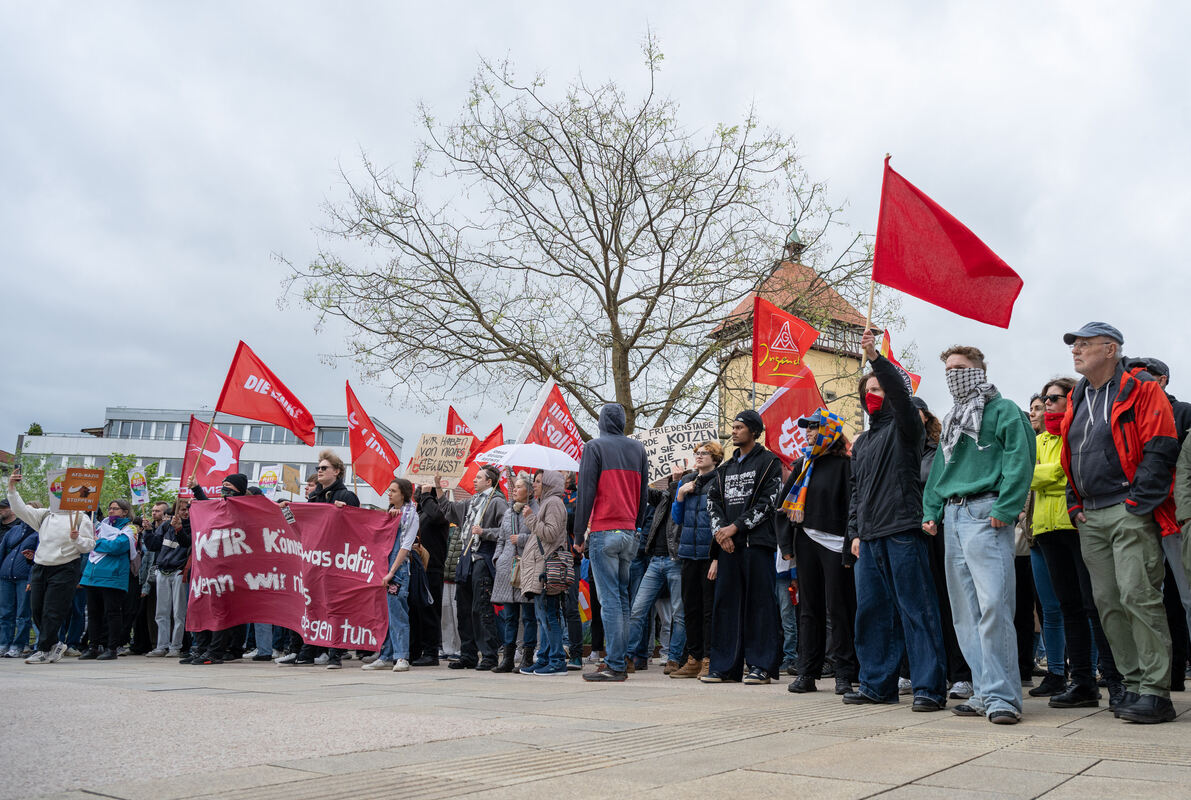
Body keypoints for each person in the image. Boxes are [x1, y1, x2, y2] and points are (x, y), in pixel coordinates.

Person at [1060, 322, 1179, 723]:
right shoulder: (1078, 395)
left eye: (1084, 344)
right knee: (1108, 602)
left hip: (1127, 508)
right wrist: (1074, 504)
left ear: (1110, 349)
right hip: (1090, 515)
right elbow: (1070, 454)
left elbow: (1161, 446)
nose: (1075, 350)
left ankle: (1156, 692)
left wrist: (1137, 503)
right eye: (1074, 345)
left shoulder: (1141, 387)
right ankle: (1133, 685)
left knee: (1137, 595)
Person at [923, 343, 1035, 725]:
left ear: (978, 370)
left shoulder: (1004, 410)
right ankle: (984, 690)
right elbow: (941, 469)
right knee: (965, 614)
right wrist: (931, 510)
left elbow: (1020, 456)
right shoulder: (953, 418)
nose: (952, 376)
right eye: (947, 370)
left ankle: (1003, 697)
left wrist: (1007, 507)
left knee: (993, 607)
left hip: (986, 512)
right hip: (953, 515)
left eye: (959, 368)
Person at [845, 332, 948, 712]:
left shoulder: (906, 427)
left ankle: (928, 688)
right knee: (873, 615)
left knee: (917, 610)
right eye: (867, 391)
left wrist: (875, 359)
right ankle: (876, 685)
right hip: (869, 538)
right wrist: (855, 534)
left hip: (903, 531)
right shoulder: (863, 443)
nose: (872, 394)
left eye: (878, 388)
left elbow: (903, 398)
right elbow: (856, 492)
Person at [1031, 377, 1123, 707]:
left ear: (1070, 400)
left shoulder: (1078, 432)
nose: (1047, 404)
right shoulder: (1038, 440)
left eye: (1054, 398)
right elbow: (1027, 473)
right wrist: (1046, 474)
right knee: (1068, 607)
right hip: (1045, 530)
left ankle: (1115, 681)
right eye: (1045, 399)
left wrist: (1040, 475)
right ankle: (1082, 683)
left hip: (1077, 526)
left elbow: (1067, 473)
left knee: (1095, 605)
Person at [702, 409, 783, 685]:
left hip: (757, 545)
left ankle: (760, 666)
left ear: (753, 431)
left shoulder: (769, 462)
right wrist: (720, 533)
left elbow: (769, 502)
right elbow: (712, 502)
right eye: (733, 427)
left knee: (760, 606)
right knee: (726, 606)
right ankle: (725, 667)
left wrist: (735, 527)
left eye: (739, 427)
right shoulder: (725, 468)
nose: (734, 431)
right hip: (728, 548)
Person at [779, 409, 857, 696]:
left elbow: (852, 507)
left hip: (836, 544)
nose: (808, 432)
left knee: (839, 610)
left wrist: (849, 547)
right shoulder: (803, 465)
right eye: (807, 428)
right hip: (806, 542)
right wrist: (787, 546)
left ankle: (844, 674)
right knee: (808, 610)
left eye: (814, 427)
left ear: (830, 432)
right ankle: (807, 673)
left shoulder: (845, 465)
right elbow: (784, 507)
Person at [576, 403, 650, 682]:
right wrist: (636, 525)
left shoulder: (594, 447)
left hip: (604, 530)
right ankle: (621, 660)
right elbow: (644, 494)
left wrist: (578, 534)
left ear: (602, 422)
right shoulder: (638, 449)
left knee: (609, 602)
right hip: (629, 532)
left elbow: (585, 492)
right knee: (621, 600)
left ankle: (615, 664)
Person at [910, 396, 973, 701]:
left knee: (949, 604)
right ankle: (921, 672)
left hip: (937, 531)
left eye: (914, 412)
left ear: (925, 417)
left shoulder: (939, 450)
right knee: (918, 606)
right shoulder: (897, 450)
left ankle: (961, 675)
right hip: (906, 533)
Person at [7, 470, 95, 664]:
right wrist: (12, 487)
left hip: (65, 567)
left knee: (53, 610)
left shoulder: (81, 518)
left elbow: (89, 545)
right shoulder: (45, 514)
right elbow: (21, 510)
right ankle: (54, 644)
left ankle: (44, 649)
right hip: (41, 566)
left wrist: (77, 539)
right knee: (37, 609)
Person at [284, 451, 360, 669]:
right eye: (318, 468)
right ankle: (307, 651)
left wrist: (345, 512)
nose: (319, 471)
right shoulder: (313, 497)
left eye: (324, 468)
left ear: (337, 471)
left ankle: (334, 654)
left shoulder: (347, 496)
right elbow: (303, 527)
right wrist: (287, 511)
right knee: (312, 605)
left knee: (334, 607)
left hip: (336, 560)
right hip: (315, 559)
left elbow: (357, 527)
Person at [444, 465, 508, 671]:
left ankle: (489, 655)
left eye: (479, 477)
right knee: (463, 609)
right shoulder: (471, 502)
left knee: (481, 608)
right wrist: (436, 487)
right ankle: (468, 655)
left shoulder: (497, 501)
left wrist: (484, 532)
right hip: (465, 558)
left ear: (489, 482)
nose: (474, 480)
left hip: (483, 557)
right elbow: (448, 509)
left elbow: (506, 531)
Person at [185, 472, 250, 665]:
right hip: (208, 569)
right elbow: (208, 508)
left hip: (230, 570)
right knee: (201, 607)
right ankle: (202, 648)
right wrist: (196, 490)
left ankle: (216, 651)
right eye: (223, 484)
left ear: (239, 489)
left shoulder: (245, 508)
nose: (224, 488)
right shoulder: (220, 505)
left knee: (221, 611)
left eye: (228, 485)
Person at [669, 440, 721, 679]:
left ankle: (710, 659)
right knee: (690, 608)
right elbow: (677, 518)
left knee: (709, 609)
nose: (699, 456)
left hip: (709, 554)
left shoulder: (719, 480)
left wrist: (717, 557)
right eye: (697, 453)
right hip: (688, 553)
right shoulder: (687, 481)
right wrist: (680, 494)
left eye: (705, 453)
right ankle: (694, 658)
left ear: (715, 458)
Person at [626, 469, 685, 674]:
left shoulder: (687, 496)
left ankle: (674, 659)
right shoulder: (662, 497)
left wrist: (678, 482)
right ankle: (628, 657)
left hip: (675, 560)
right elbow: (643, 491)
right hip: (655, 560)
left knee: (678, 613)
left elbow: (678, 504)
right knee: (637, 610)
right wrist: (637, 468)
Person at [364, 478, 419, 672]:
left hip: (398, 572)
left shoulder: (411, 516)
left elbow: (405, 547)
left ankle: (402, 656)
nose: (389, 494)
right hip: (384, 568)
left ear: (403, 494)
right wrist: (390, 519)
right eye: (389, 490)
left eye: (393, 491)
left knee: (397, 614)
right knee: (386, 615)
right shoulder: (390, 514)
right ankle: (386, 655)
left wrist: (391, 572)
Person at [518, 470, 570, 675]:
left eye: (539, 481)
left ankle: (557, 660)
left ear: (549, 484)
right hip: (540, 567)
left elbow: (550, 533)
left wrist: (531, 519)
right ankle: (545, 658)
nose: (535, 485)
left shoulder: (553, 503)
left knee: (549, 616)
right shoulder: (546, 503)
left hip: (546, 568)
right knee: (543, 616)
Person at [78, 499, 139, 661]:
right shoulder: (100, 526)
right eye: (110, 508)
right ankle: (93, 646)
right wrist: (96, 542)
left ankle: (112, 648)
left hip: (112, 577)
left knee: (112, 613)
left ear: (125, 512)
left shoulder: (129, 529)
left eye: (115, 509)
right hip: (92, 576)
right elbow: (88, 543)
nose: (111, 511)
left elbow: (118, 546)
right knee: (93, 614)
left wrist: (97, 542)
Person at [491, 473, 538, 673]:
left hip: (527, 568)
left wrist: (521, 539)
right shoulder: (509, 512)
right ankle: (508, 659)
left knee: (528, 616)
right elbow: (502, 539)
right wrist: (498, 558)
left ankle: (527, 658)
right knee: (509, 616)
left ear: (529, 491)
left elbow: (540, 536)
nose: (515, 490)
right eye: (515, 486)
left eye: (519, 487)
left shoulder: (536, 510)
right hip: (507, 569)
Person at [143, 498, 192, 657]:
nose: (185, 512)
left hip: (179, 572)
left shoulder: (194, 526)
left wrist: (179, 529)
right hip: (163, 570)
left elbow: (187, 543)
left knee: (178, 612)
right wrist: (148, 531)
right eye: (182, 509)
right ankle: (161, 646)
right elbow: (153, 545)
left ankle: (175, 646)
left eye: (188, 509)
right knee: (161, 612)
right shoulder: (165, 526)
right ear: (175, 510)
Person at [410, 482, 449, 666]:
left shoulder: (438, 509)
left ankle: (431, 652)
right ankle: (415, 650)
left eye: (423, 484)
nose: (419, 487)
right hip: (418, 567)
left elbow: (437, 516)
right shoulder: (420, 510)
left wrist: (426, 495)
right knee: (416, 611)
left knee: (430, 611)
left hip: (432, 566)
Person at [0, 498, 38, 658]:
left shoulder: (39, 532)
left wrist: (31, 579)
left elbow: (38, 558)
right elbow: (2, 551)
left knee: (22, 614)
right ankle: (4, 643)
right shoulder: (13, 530)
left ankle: (19, 645)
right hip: (6, 576)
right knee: (5, 613)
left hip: (24, 577)